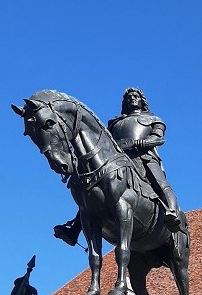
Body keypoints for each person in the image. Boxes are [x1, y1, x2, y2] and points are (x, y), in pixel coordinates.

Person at [54, 87, 181, 245]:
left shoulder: (154, 119)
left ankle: (172, 212)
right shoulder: (115, 123)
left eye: (135, 96)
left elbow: (158, 139)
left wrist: (138, 143)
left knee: (161, 183)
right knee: (92, 190)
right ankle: (74, 229)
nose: (132, 99)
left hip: (143, 158)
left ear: (142, 101)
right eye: (129, 98)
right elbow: (105, 142)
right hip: (118, 161)